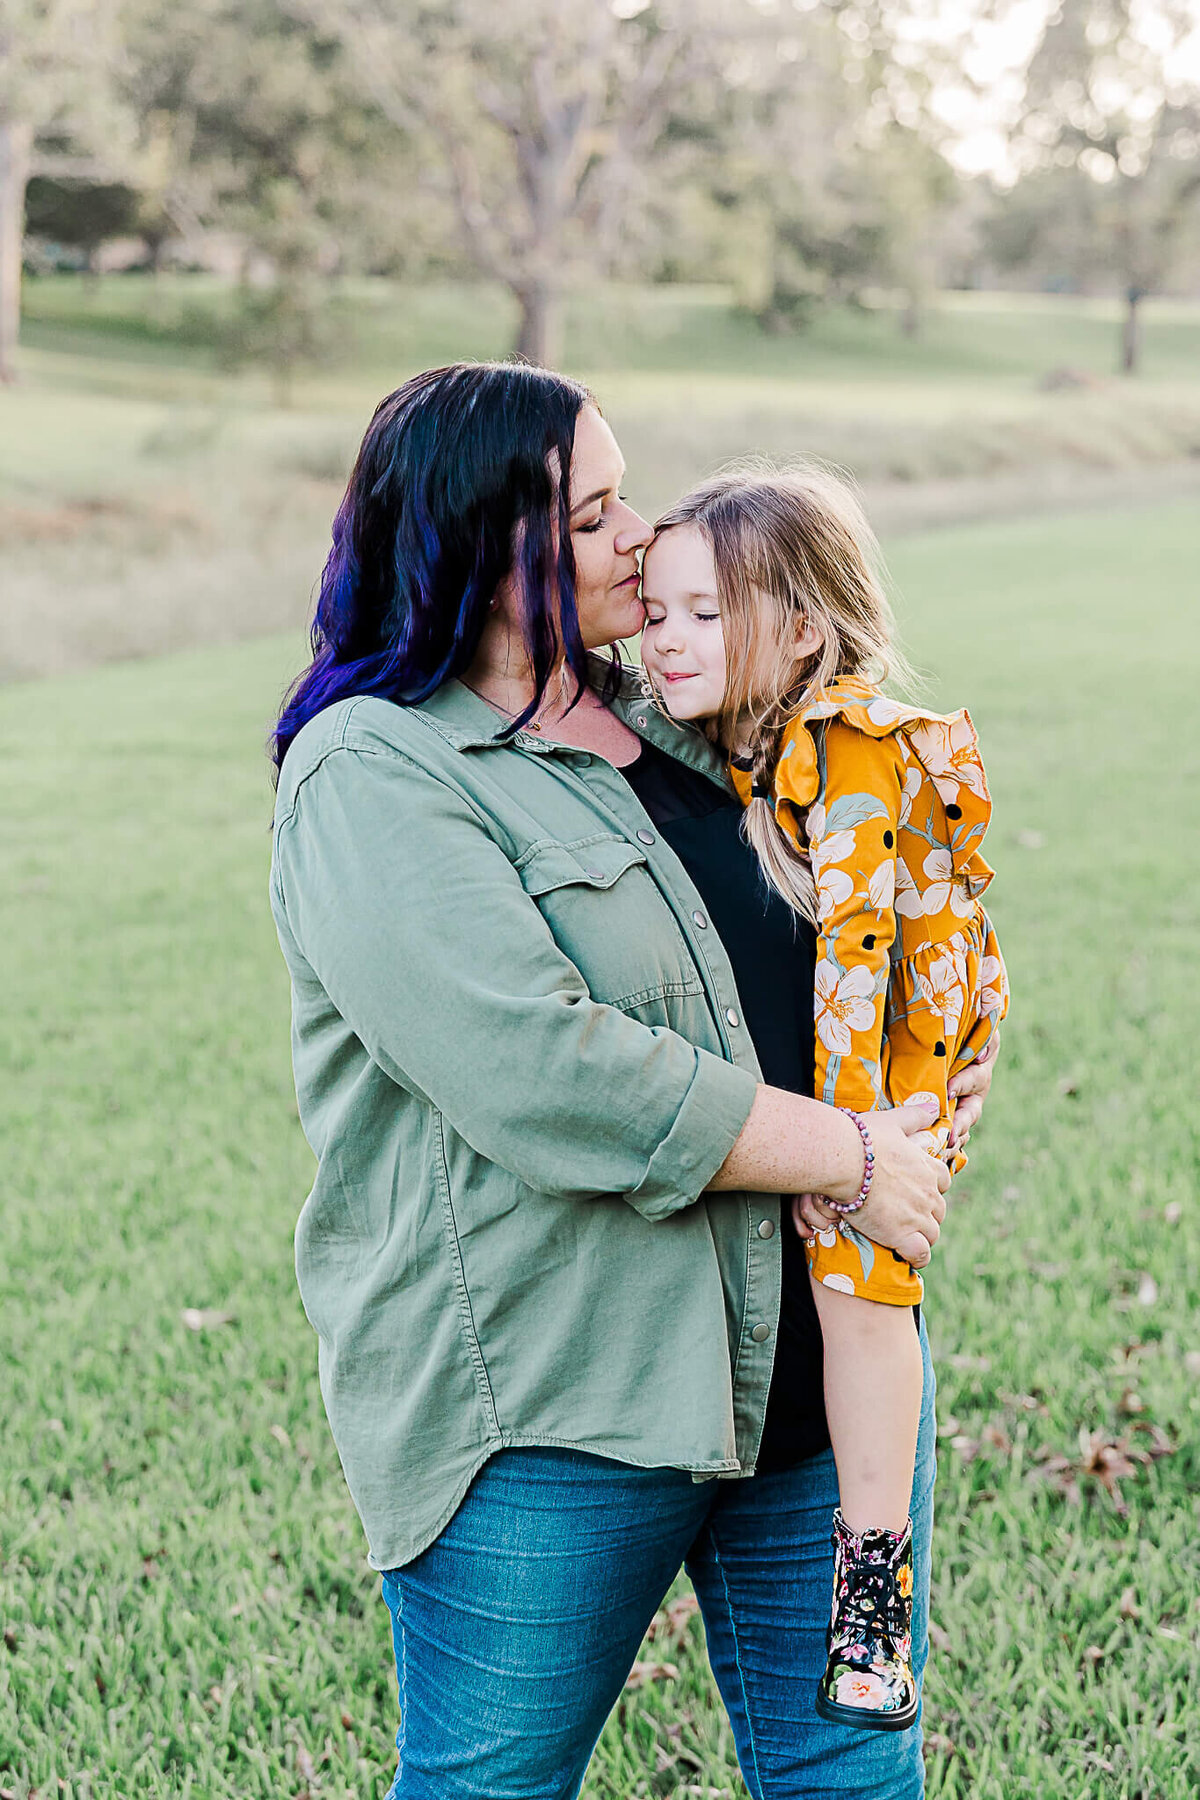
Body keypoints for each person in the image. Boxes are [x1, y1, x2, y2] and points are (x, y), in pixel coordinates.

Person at [269, 361, 997, 1799]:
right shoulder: (376, 768)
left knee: (852, 1780)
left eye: (626, 490)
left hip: (804, 1381)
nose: (639, 533)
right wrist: (851, 1154)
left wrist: (942, 1066)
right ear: (481, 547)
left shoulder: (685, 705)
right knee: (493, 1783)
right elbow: (540, 1068)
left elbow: (867, 906)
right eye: (594, 513)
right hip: (561, 1405)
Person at [640, 464, 1010, 1732]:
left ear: (802, 628)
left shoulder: (842, 740)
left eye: (707, 614)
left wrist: (848, 1153)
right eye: (659, 610)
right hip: (889, 1019)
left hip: (899, 1021)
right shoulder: (756, 730)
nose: (669, 640)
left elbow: (859, 951)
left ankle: (872, 1581)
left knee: (861, 1281)